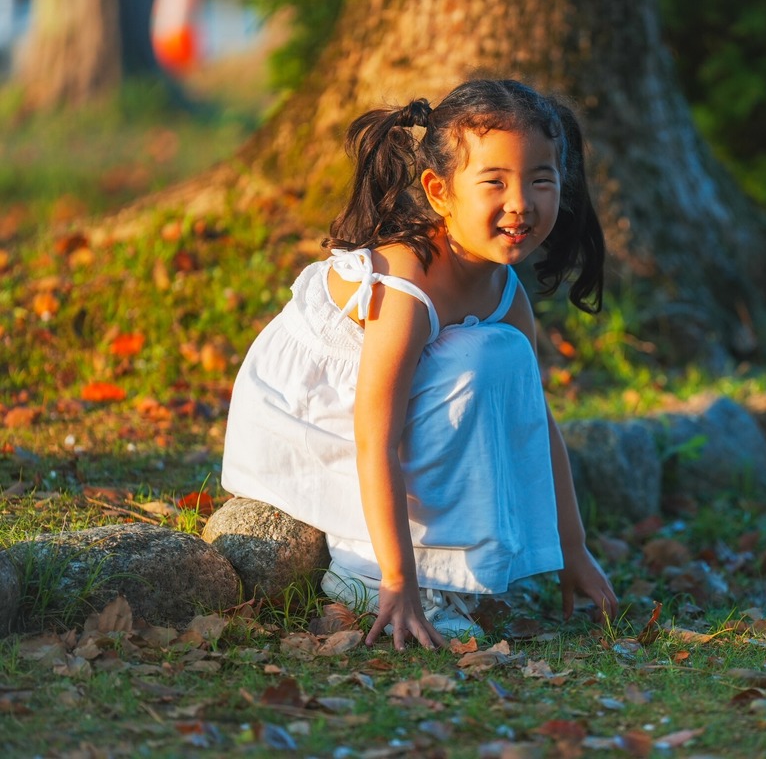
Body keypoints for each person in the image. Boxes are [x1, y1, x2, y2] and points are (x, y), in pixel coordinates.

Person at [221, 79, 618, 650]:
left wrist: (572, 548)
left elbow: (535, 420)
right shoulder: (404, 287)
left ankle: (447, 564)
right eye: (494, 182)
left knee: (502, 362)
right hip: (303, 424)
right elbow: (373, 438)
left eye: (541, 180)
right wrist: (398, 582)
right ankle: (364, 569)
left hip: (379, 423)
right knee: (479, 364)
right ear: (439, 191)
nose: (521, 204)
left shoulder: (505, 293)